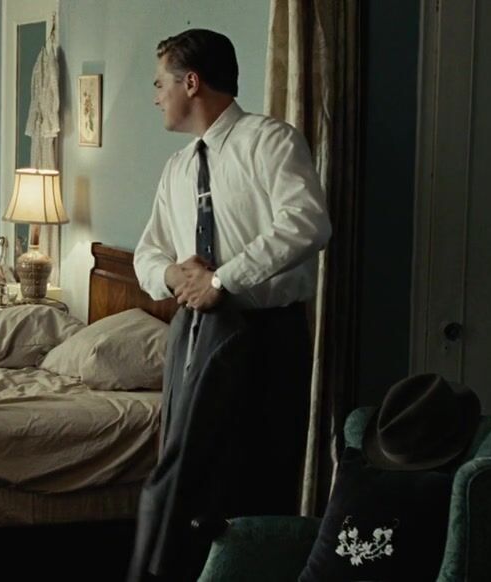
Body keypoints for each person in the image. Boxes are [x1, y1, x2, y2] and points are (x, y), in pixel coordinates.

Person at [128, 29, 332, 581]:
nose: (155, 96)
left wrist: (223, 278)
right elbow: (147, 253)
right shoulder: (176, 169)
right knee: (186, 474)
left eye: (160, 83)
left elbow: (308, 223)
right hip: (194, 335)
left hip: (266, 336)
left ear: (191, 82)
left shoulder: (270, 142)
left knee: (259, 477)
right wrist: (174, 275)